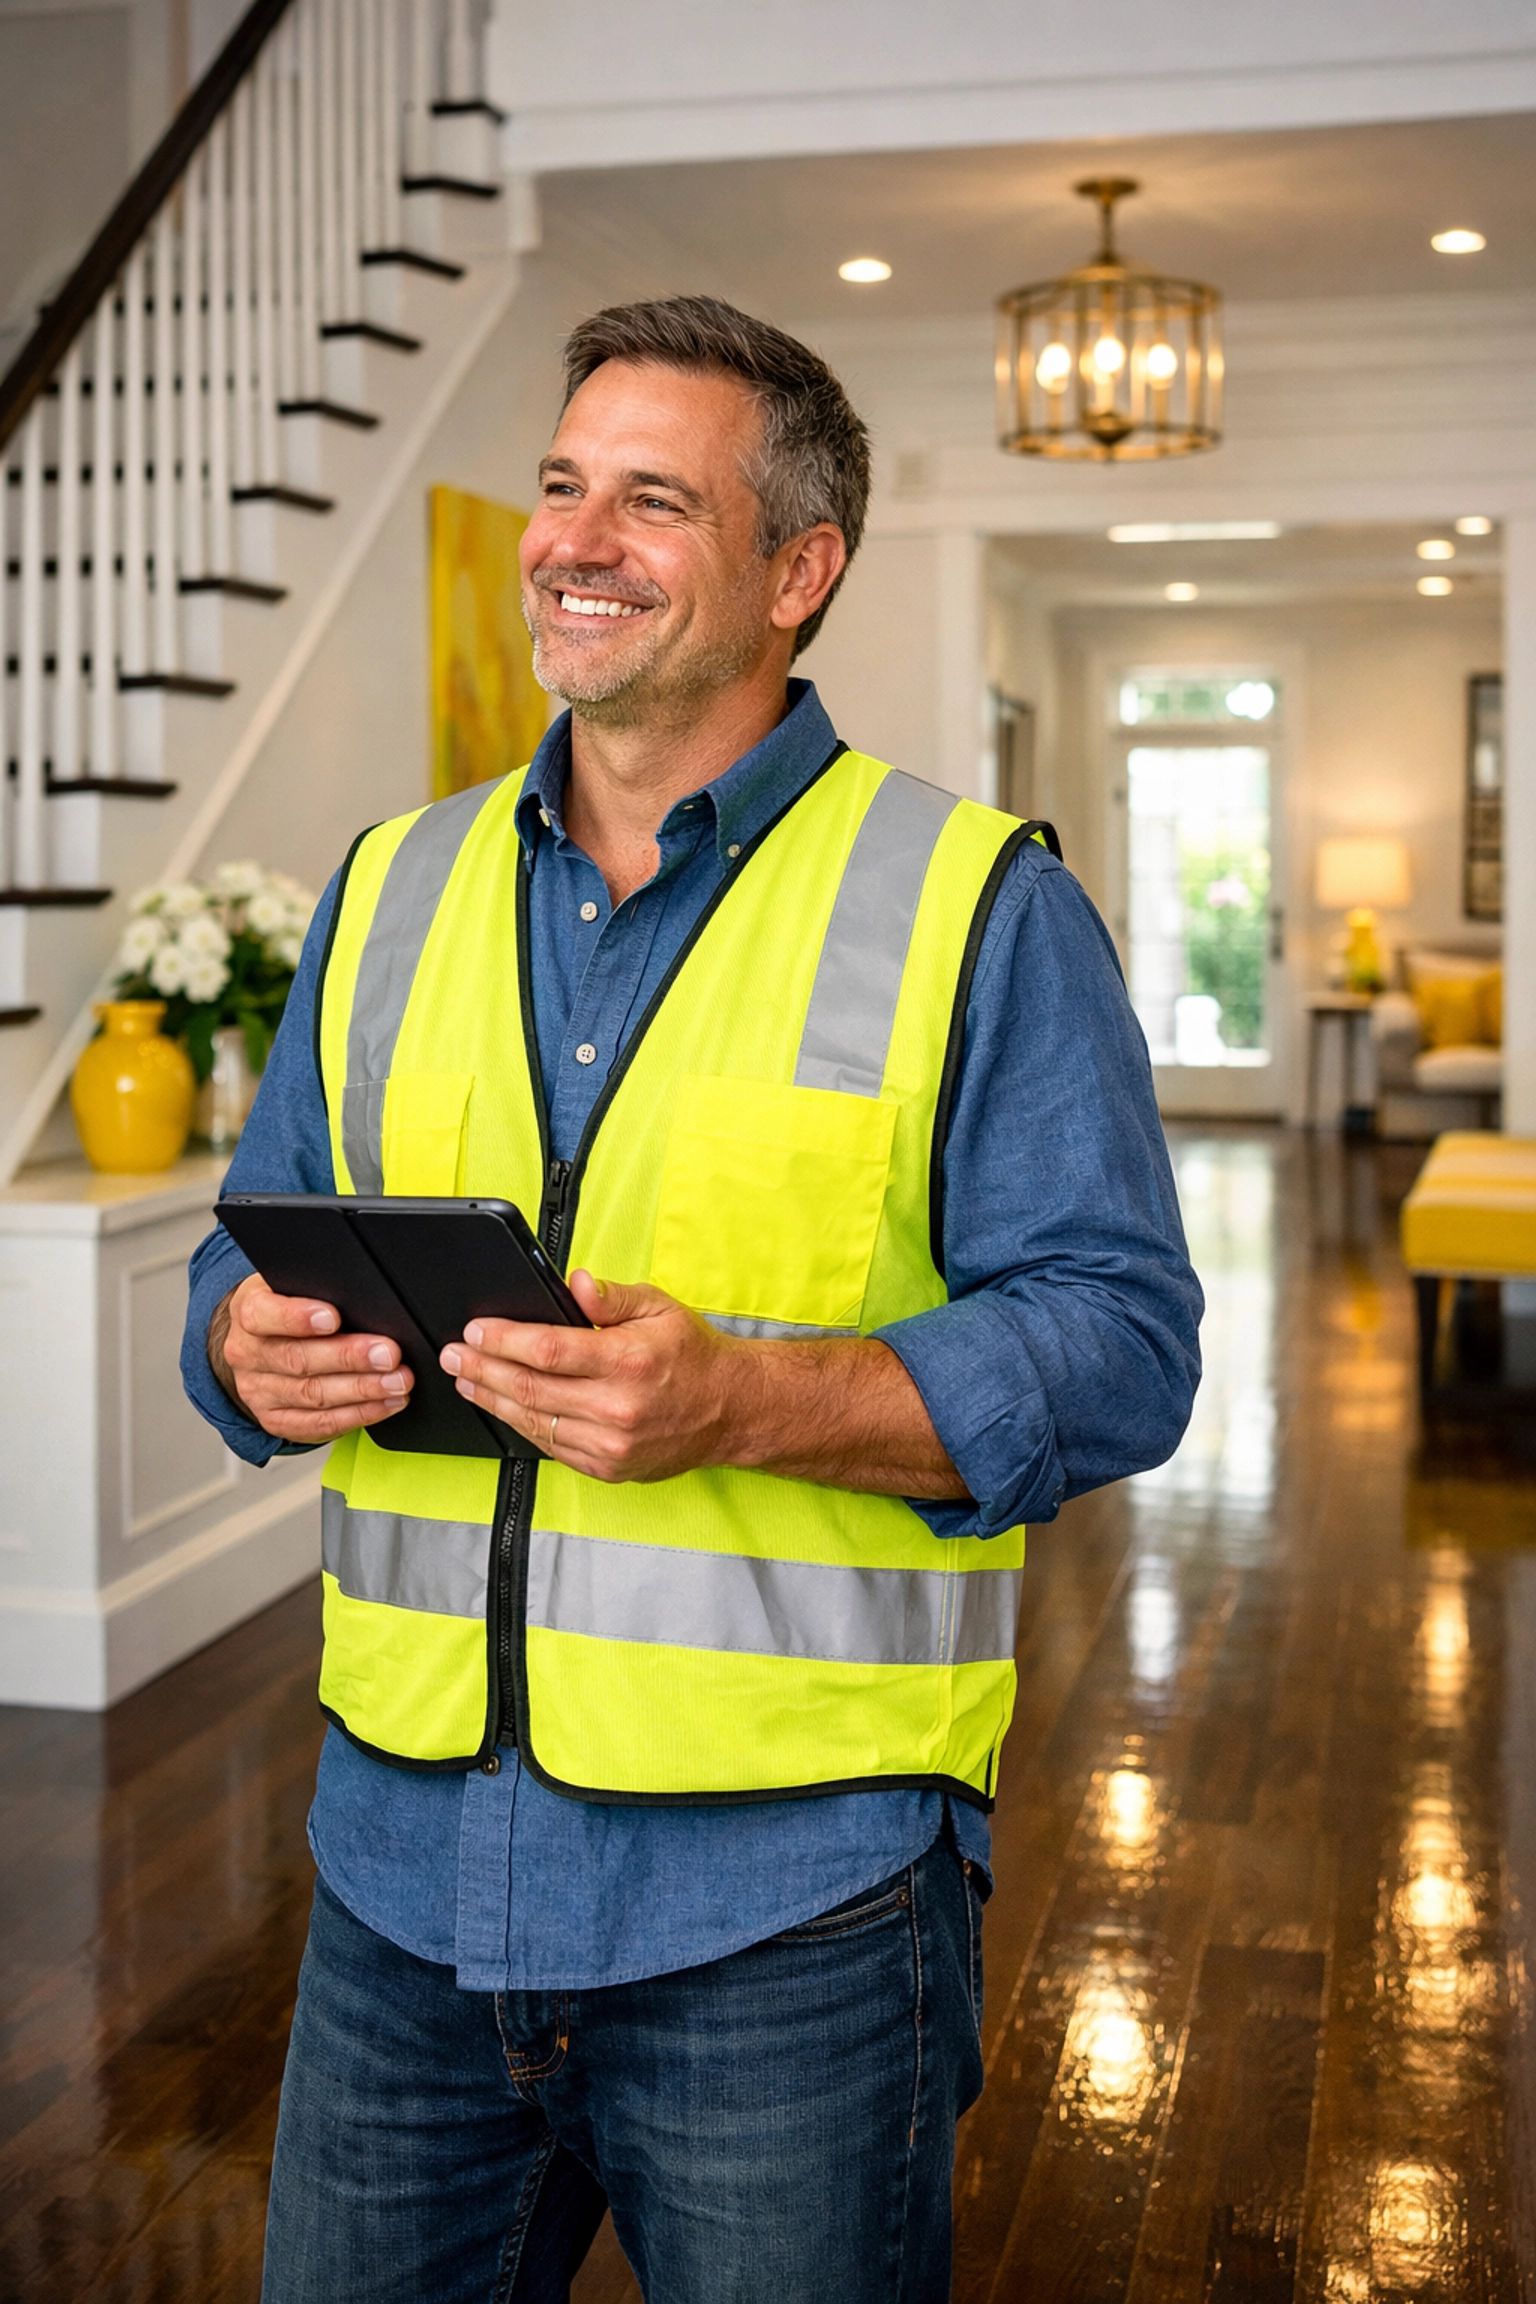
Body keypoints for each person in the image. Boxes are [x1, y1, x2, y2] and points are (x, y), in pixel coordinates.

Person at [182, 294, 1201, 2304]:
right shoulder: (387, 885)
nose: (575, 535)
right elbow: (253, 1233)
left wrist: (754, 1402)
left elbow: (1124, 1344)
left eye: (654, 499)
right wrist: (242, 1334)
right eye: (562, 484)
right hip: (392, 1892)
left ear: (796, 570)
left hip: (787, 1921)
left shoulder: (982, 904)